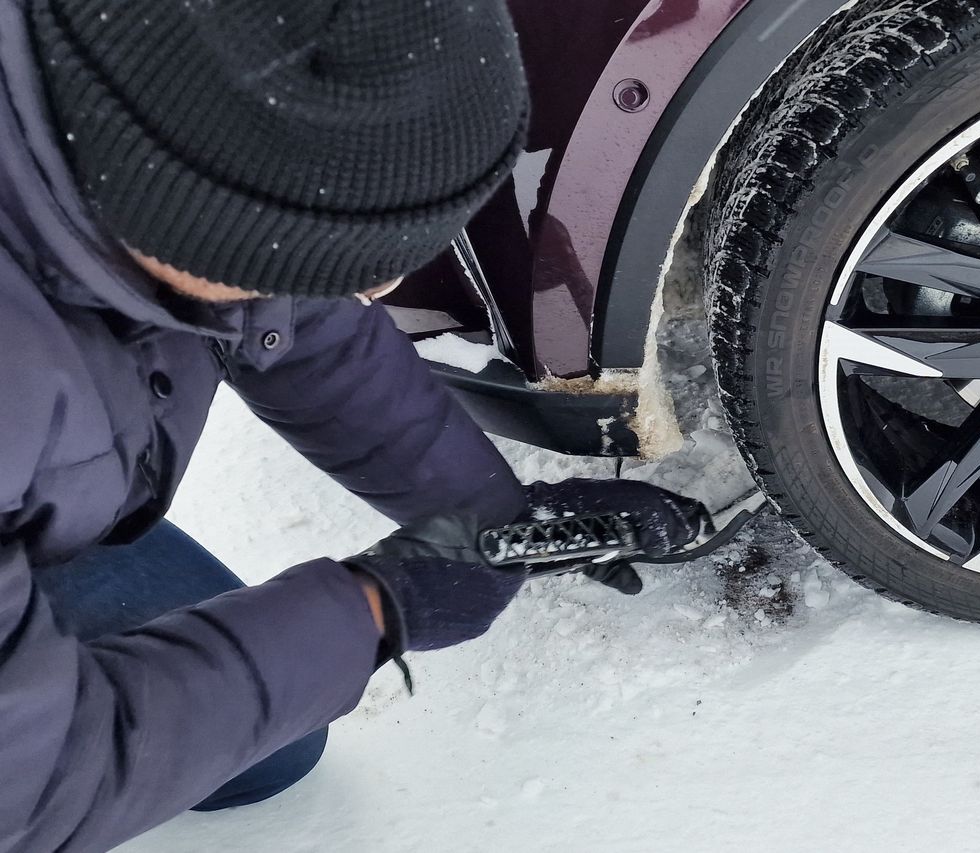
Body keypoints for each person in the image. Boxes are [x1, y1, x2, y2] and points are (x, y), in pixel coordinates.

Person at [0, 1, 710, 850]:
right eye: (340, 266)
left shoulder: (170, 124)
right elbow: (35, 789)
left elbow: (296, 323)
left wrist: (490, 516)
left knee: (269, 750)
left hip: (45, 476)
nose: (376, 295)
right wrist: (380, 605)